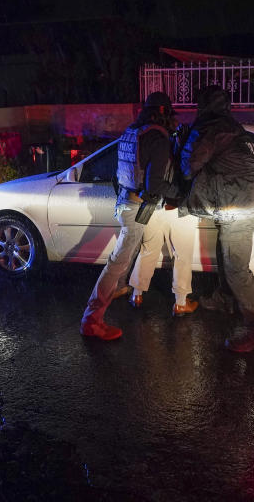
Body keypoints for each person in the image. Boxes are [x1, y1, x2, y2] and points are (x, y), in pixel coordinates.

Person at [79, 91, 183, 340]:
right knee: (117, 263)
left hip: (126, 202)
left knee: (142, 246)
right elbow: (154, 185)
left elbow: (121, 173)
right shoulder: (157, 137)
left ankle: (122, 287)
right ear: (162, 112)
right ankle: (92, 319)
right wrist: (179, 191)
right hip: (137, 208)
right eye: (168, 113)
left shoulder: (132, 132)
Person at [180, 85, 254, 352]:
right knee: (225, 254)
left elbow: (190, 165)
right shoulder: (235, 128)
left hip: (237, 208)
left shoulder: (211, 129)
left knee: (235, 268)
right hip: (240, 203)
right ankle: (224, 298)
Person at [124, 119, 199, 316]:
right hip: (178, 207)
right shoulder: (189, 148)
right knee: (182, 255)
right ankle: (181, 303)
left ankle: (137, 295)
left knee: (148, 250)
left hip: (152, 206)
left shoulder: (152, 142)